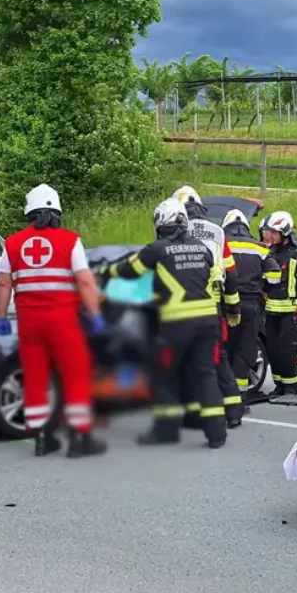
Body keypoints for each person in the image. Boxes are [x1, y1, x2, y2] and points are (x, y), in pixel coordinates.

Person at [0, 184, 108, 458]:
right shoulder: (70, 241)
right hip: (63, 322)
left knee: (35, 376)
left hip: (29, 324)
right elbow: (84, 281)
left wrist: (0, 318)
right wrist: (95, 315)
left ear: (29, 212)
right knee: (76, 373)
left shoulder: (12, 243)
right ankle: (80, 438)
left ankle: (42, 438)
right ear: (57, 211)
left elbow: (2, 283)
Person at [103, 199, 227, 449]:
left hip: (178, 323)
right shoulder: (203, 248)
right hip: (207, 320)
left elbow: (130, 270)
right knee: (205, 374)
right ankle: (217, 434)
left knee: (165, 374)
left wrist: (106, 272)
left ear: (161, 224)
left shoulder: (157, 249)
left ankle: (166, 430)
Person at [174, 186, 245, 428]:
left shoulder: (176, 230)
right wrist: (233, 307)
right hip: (214, 304)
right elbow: (231, 274)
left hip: (186, 303)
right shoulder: (217, 231)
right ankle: (233, 410)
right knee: (218, 356)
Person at [222, 209, 279, 397]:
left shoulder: (222, 245)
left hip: (227, 304)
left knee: (225, 347)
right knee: (244, 349)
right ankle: (241, 397)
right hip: (252, 304)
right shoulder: (260, 248)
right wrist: (263, 291)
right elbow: (275, 275)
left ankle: (224, 393)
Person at [260, 211, 297, 397]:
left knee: (287, 351)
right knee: (272, 350)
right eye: (268, 231)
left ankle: (291, 387)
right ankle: (279, 385)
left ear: (285, 233)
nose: (269, 236)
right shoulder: (268, 253)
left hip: (291, 312)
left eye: (273, 232)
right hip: (271, 311)